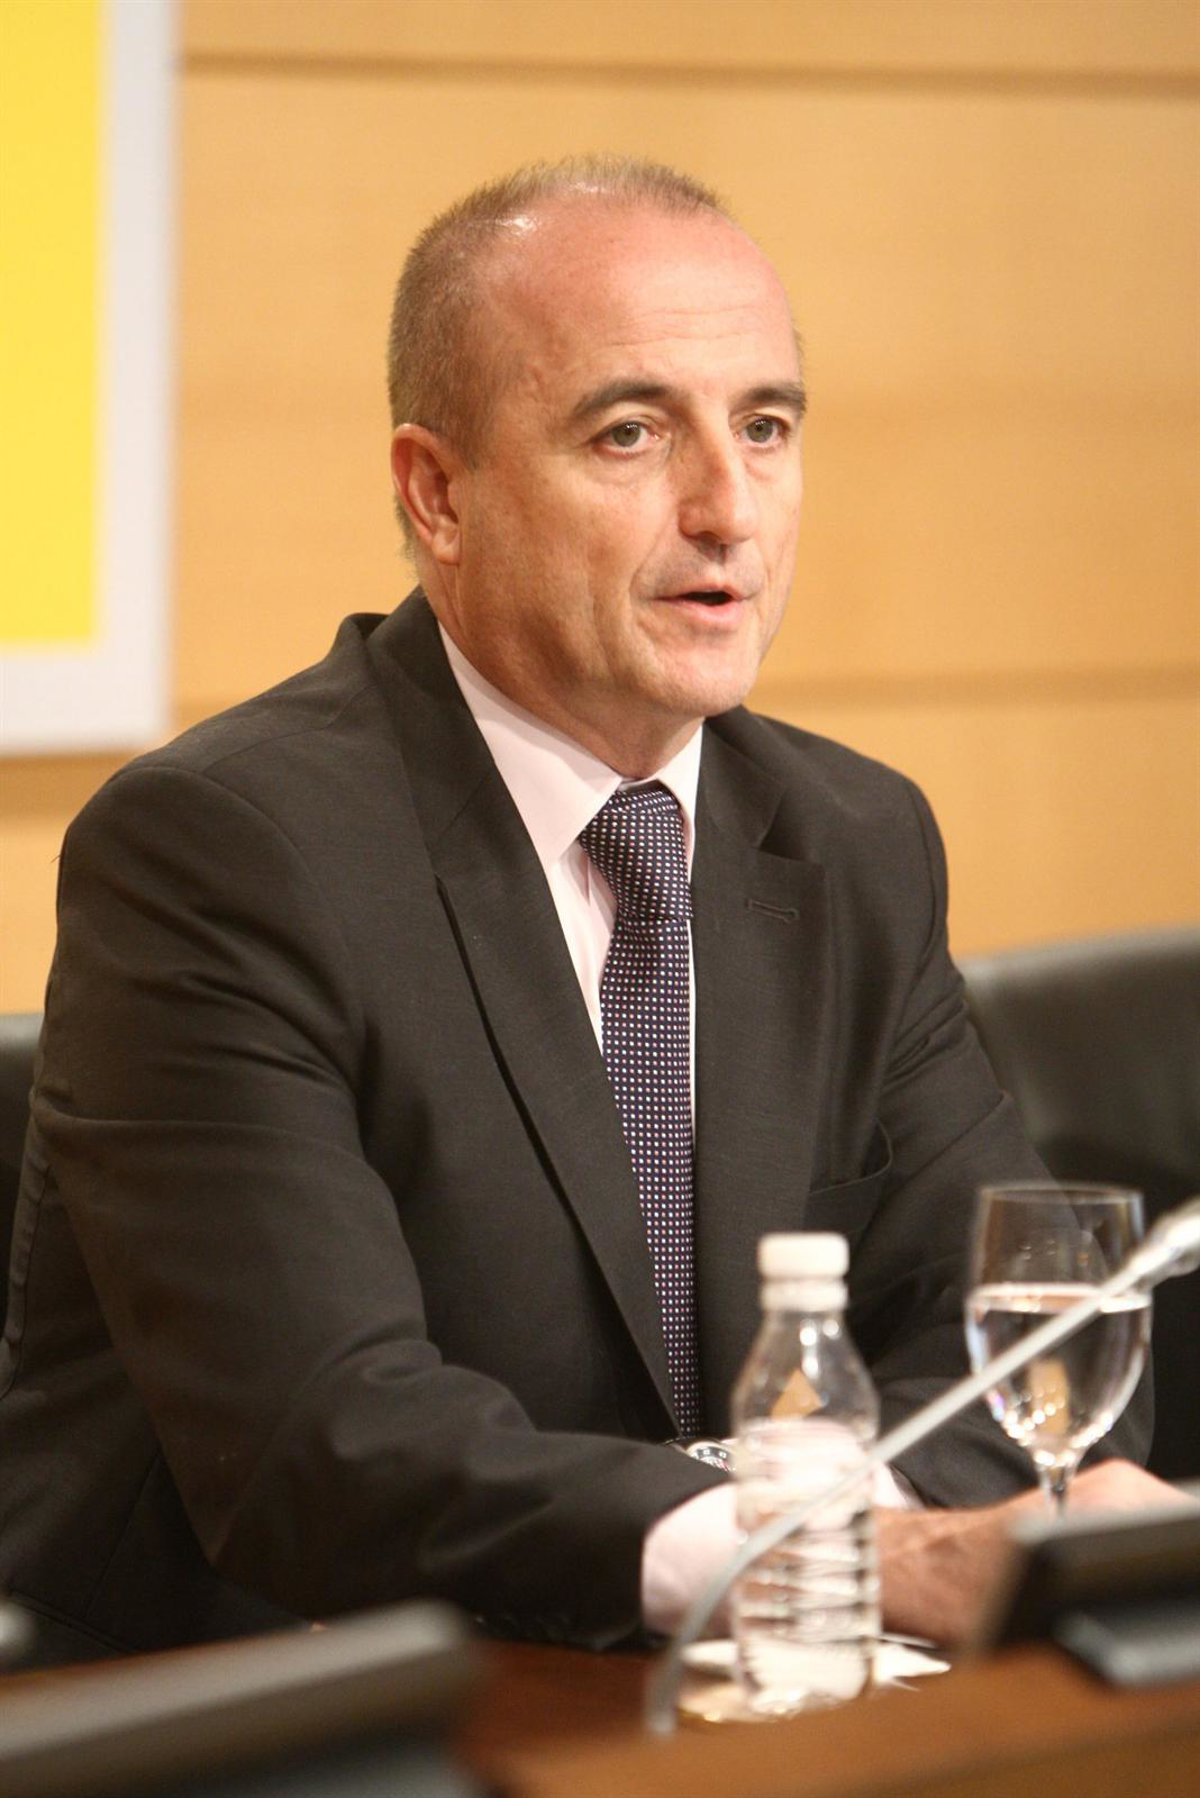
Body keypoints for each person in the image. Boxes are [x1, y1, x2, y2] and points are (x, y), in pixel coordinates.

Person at [0, 157, 1174, 1664]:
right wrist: (820, 1548)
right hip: (303, 1712)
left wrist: (823, 1550)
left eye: (766, 427)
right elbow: (327, 1443)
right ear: (438, 494)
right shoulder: (223, 855)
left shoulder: (853, 839)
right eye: (632, 433)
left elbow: (1029, 1342)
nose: (729, 509)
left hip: (728, 1694)